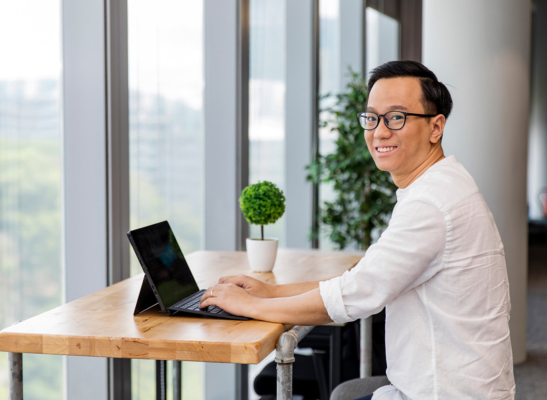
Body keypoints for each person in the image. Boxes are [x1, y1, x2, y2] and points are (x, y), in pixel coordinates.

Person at [200, 60, 516, 400]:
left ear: (435, 127)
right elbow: (366, 277)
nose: (379, 131)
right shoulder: (439, 185)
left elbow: (356, 293)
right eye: (372, 117)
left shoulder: (432, 203)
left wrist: (250, 306)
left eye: (397, 117)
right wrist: (269, 292)